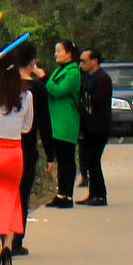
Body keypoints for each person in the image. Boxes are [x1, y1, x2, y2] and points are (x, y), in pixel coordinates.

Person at [0, 46, 38, 265]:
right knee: (12, 199)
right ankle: (9, 246)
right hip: (14, 153)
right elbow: (27, 127)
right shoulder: (27, 95)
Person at [40, 39, 86, 207]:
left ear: (69, 53)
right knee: (61, 158)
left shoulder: (73, 72)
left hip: (66, 120)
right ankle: (61, 194)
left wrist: (44, 77)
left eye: (59, 51)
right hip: (57, 120)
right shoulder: (61, 70)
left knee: (67, 158)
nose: (56, 54)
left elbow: (58, 91)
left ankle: (68, 196)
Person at [75, 46, 115, 205]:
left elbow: (97, 100)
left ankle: (100, 195)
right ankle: (93, 194)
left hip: (100, 126)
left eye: (84, 61)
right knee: (88, 161)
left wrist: (86, 91)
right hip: (88, 125)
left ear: (94, 61)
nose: (81, 64)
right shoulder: (87, 77)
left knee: (94, 160)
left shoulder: (103, 78)